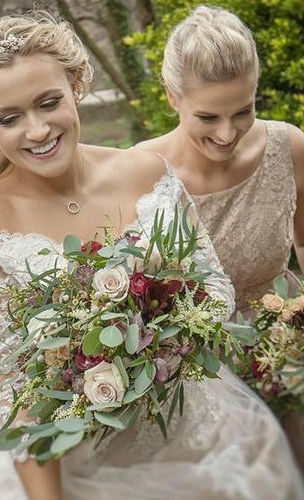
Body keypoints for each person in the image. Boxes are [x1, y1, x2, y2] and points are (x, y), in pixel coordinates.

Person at [0, 13, 302, 500]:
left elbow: (214, 290)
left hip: (200, 435)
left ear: (77, 86)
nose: (38, 130)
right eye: (9, 118)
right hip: (81, 467)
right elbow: (20, 400)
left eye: (49, 103)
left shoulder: (147, 172)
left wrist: (152, 336)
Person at [134, 4, 304, 472]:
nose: (227, 133)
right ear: (172, 96)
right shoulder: (137, 172)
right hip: (190, 380)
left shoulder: (288, 147)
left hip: (286, 358)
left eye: (243, 111)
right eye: (207, 116)